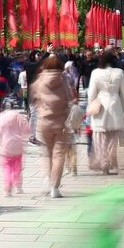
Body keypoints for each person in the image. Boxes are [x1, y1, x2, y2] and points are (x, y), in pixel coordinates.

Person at [31, 55, 76, 197]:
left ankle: (46, 179)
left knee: (46, 153)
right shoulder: (64, 81)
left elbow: (33, 98)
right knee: (58, 155)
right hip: (61, 123)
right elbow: (70, 99)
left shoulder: (39, 80)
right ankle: (55, 188)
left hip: (44, 122)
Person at [87, 49, 124, 175]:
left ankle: (104, 164)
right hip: (115, 104)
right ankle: (113, 162)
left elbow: (91, 93)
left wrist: (90, 107)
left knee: (100, 139)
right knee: (113, 139)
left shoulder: (95, 73)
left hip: (100, 104)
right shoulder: (119, 72)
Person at [0, 107, 31, 196]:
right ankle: (18, 186)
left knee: (7, 167)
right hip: (17, 145)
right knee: (17, 166)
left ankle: (8, 187)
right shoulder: (18, 116)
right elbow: (27, 129)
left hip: (5, 147)